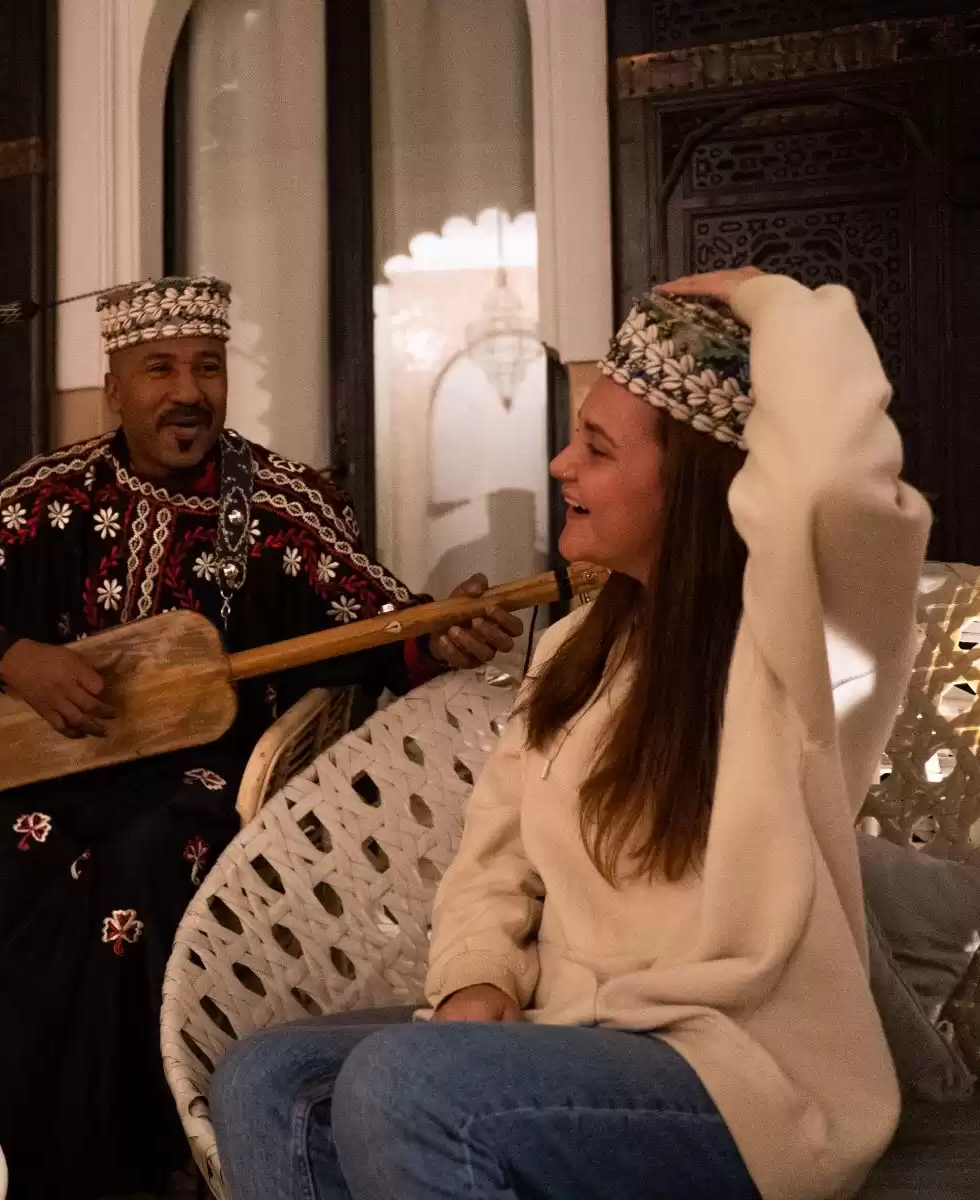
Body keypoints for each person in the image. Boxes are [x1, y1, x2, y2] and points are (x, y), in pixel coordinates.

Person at [210, 267, 930, 1200]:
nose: (561, 466)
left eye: (596, 447)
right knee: (269, 1082)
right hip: (567, 1043)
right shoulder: (578, 652)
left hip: (746, 1078)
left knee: (411, 1088)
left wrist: (762, 294)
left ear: (699, 484)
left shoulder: (804, 646)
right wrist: (479, 980)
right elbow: (494, 862)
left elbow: (834, 474)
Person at [0, 276, 525, 1199]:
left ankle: (123, 1161)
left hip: (206, 776)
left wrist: (438, 634)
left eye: (207, 368)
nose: (187, 391)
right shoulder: (45, 497)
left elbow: (383, 626)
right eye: (160, 369)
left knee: (138, 870)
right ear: (114, 388)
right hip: (46, 767)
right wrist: (16, 659)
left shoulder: (284, 508)